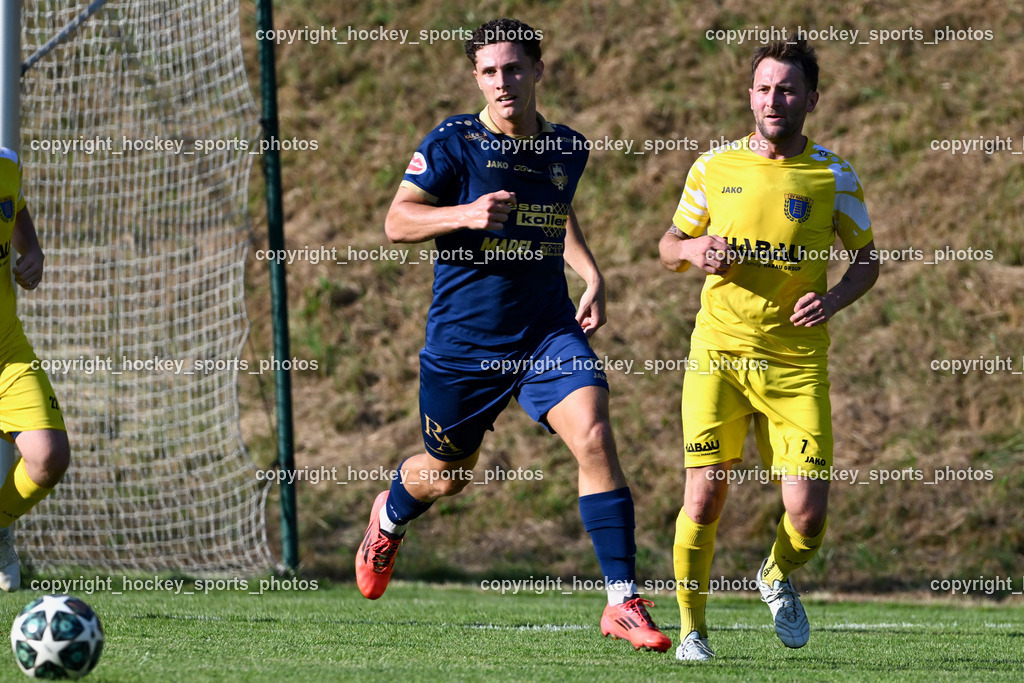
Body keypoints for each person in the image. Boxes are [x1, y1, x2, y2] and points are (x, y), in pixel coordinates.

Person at [355, 17, 670, 652]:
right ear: (477, 78)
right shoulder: (452, 142)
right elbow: (397, 221)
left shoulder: (567, 148)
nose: (504, 81)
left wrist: (591, 273)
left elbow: (555, 212)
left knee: (596, 433)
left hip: (544, 332)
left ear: (538, 71)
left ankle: (622, 603)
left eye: (516, 68)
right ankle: (390, 515)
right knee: (446, 476)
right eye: (491, 71)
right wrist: (466, 214)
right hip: (464, 344)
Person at [658, 39, 879, 661]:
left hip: (796, 363)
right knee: (703, 494)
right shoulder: (713, 167)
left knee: (807, 519)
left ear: (811, 97)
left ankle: (776, 574)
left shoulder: (834, 174)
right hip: (719, 354)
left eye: (786, 89)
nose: (773, 99)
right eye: (763, 88)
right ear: (749, 95)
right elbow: (668, 245)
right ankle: (693, 631)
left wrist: (831, 301)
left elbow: (867, 265)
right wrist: (691, 252)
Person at [0, 147, 71, 591]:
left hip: (6, 353)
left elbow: (16, 209)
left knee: (48, 458)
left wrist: (35, 252)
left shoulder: (6, 164)